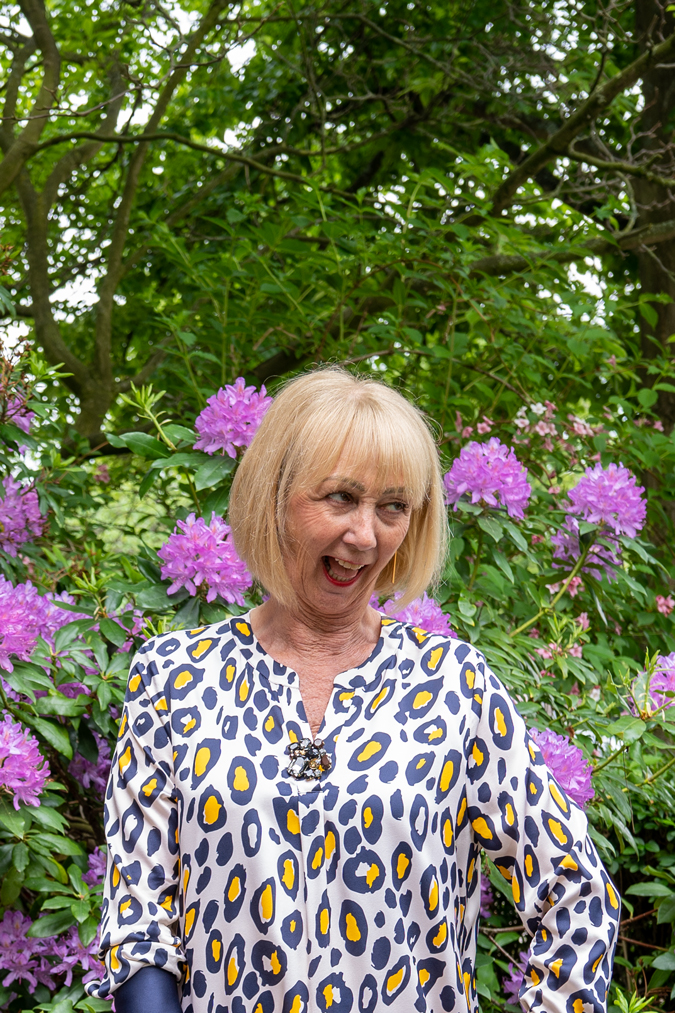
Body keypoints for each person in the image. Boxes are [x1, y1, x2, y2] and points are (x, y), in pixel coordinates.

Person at [89, 369, 619, 1013]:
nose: (366, 536)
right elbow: (139, 917)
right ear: (273, 496)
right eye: (341, 497)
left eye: (393, 507)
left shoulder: (454, 685)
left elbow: (577, 893)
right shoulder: (175, 677)